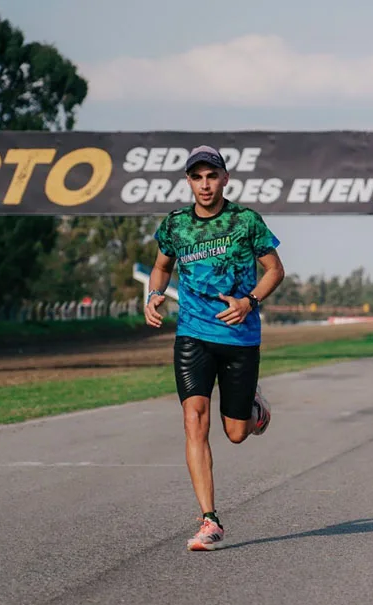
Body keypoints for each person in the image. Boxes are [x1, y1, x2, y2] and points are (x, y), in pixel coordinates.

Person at [144, 145, 285, 551]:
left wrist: (249, 302)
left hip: (240, 336)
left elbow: (275, 270)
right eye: (197, 177)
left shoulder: (246, 221)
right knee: (194, 419)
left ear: (225, 178)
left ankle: (255, 408)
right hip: (192, 334)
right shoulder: (175, 224)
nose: (204, 184)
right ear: (188, 181)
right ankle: (210, 519)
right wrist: (153, 294)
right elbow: (162, 266)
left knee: (237, 433)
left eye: (211, 176)